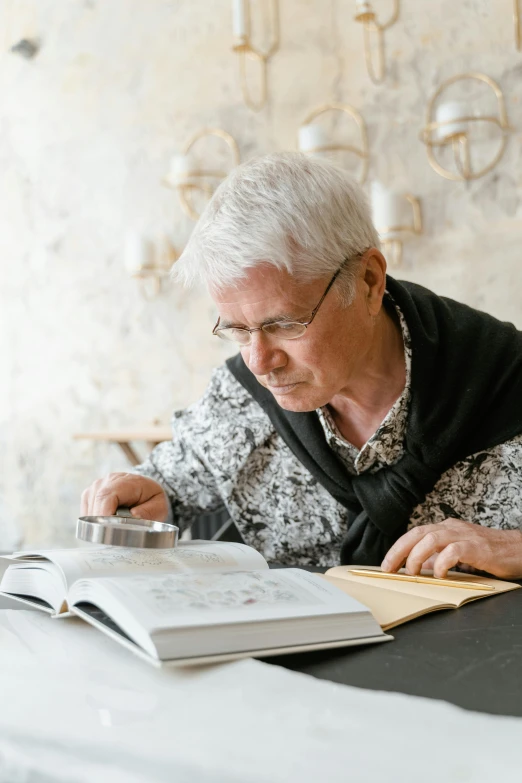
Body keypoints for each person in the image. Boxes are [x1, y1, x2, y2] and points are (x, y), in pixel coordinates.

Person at [81, 153, 522, 578]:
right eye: (237, 330)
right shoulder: (238, 401)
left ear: (369, 281)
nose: (259, 362)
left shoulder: (506, 377)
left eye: (285, 324)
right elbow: (164, 487)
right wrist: (146, 501)